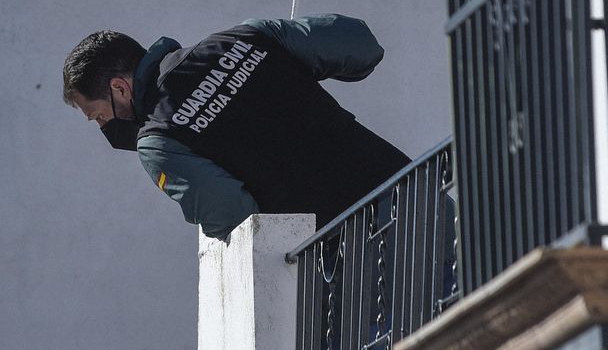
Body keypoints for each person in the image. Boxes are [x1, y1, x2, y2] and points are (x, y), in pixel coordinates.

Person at [61, 14, 411, 239]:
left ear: (120, 89)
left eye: (99, 117)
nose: (105, 128)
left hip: (352, 256)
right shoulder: (245, 37)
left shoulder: (159, 140)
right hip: (411, 193)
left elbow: (234, 219)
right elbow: (360, 46)